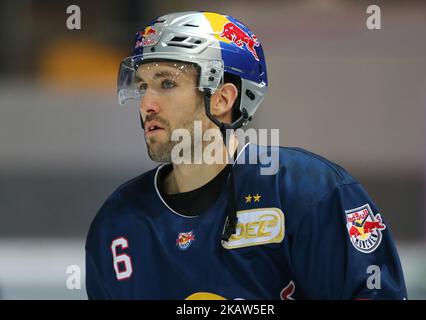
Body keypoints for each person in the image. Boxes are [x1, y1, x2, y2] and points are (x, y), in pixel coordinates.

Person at [85, 11, 407, 300]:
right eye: (142, 87)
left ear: (223, 98)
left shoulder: (310, 195)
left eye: (166, 83)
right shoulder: (116, 224)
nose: (146, 104)